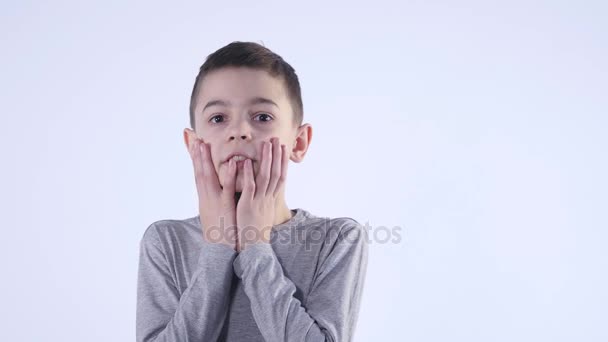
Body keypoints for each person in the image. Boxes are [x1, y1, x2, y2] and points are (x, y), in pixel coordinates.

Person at [136, 41, 369, 342]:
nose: (239, 131)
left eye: (262, 117)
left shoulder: (337, 239)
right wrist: (218, 247)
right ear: (194, 145)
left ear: (298, 143)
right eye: (218, 118)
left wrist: (254, 245)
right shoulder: (166, 242)